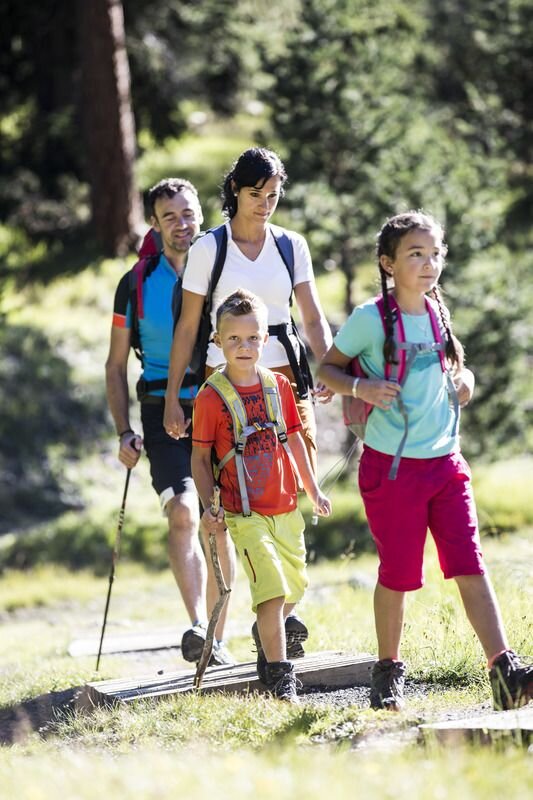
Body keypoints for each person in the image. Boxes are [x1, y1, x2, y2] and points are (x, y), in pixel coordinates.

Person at [317, 210, 533, 712]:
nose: (429, 263)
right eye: (416, 254)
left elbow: (457, 368)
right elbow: (326, 369)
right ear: (388, 263)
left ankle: (504, 671)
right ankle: (387, 673)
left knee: (470, 563)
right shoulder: (371, 318)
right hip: (393, 471)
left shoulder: (437, 309)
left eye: (436, 253)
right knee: (398, 574)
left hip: (446, 464)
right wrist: (361, 387)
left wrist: (467, 381)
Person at [164, 147, 334, 657]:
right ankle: (218, 634)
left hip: (285, 381)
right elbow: (188, 327)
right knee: (229, 499)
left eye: (274, 195)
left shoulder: (291, 245)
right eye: (256, 193)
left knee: (293, 485)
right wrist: (175, 396)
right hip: (226, 386)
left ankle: (279, 615)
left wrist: (331, 368)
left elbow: (312, 315)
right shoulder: (209, 249)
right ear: (235, 191)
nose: (265, 203)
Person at [105, 178, 236, 666]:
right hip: (162, 410)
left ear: (200, 213)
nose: (182, 225)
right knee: (182, 510)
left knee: (217, 519)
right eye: (170, 217)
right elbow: (115, 365)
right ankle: (199, 627)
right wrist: (124, 430)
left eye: (188, 214)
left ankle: (218, 637)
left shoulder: (224, 270)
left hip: (219, 405)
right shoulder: (135, 284)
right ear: (154, 225)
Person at [191, 289, 331, 702]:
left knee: (294, 587)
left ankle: (265, 634)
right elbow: (199, 459)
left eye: (253, 338)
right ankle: (279, 675)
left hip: (286, 507)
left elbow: (295, 441)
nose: (244, 346)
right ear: (218, 341)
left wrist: (312, 488)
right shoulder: (210, 397)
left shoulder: (279, 386)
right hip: (244, 513)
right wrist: (210, 506)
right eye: (234, 339)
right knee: (271, 591)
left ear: (265, 340)